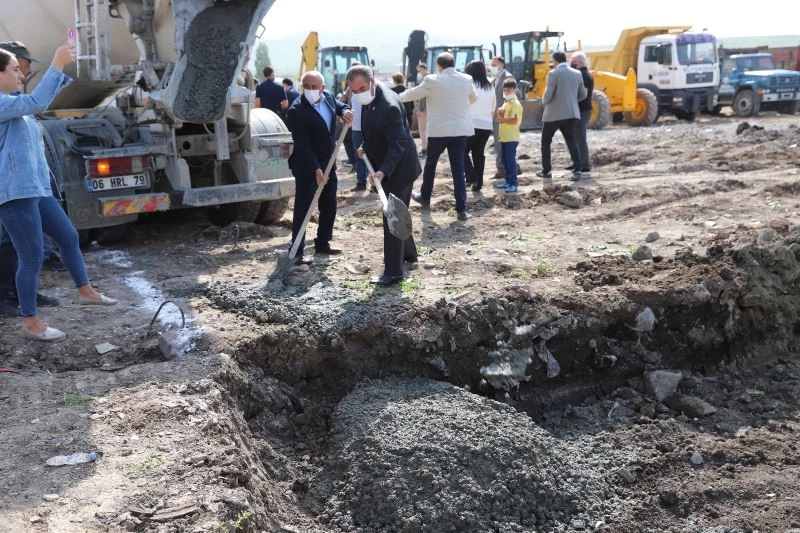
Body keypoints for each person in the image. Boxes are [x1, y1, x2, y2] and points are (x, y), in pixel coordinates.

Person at [0, 44, 118, 342]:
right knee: (31, 256)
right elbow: (39, 102)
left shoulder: (14, 102)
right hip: (15, 192)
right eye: (15, 69)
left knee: (68, 236)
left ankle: (86, 291)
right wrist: (57, 64)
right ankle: (30, 322)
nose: (21, 73)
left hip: (36, 188)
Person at [346, 65, 421, 287]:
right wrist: (364, 146)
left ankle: (393, 271)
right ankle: (409, 255)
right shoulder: (370, 100)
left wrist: (383, 171)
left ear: (372, 80)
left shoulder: (388, 105)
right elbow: (374, 131)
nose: (359, 93)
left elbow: (398, 144)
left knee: (392, 215)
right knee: (399, 210)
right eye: (354, 90)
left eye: (362, 88)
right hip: (391, 167)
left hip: (400, 169)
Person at [284, 70, 353, 263]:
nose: (311, 90)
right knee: (304, 208)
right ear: (302, 87)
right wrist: (316, 169)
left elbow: (338, 105)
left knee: (329, 205)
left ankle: (322, 243)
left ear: (322, 88)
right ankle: (296, 250)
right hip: (307, 165)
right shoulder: (297, 111)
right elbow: (302, 145)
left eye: (315, 87)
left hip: (328, 162)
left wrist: (344, 111)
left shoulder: (329, 97)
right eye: (307, 87)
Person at [399, 52, 477, 221]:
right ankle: (461, 209)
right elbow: (473, 98)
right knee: (458, 169)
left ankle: (425, 196)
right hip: (459, 130)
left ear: (439, 66)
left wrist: (395, 97)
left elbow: (411, 94)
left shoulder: (432, 80)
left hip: (439, 130)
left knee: (431, 164)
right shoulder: (466, 79)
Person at [537, 51, 586, 181]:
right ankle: (577, 169)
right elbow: (583, 94)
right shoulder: (577, 73)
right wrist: (571, 102)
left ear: (555, 61)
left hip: (554, 114)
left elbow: (548, 95)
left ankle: (546, 170)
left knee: (546, 141)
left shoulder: (553, 74)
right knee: (571, 141)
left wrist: (543, 103)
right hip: (572, 114)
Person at [463, 60, 495, 192]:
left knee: (462, 152)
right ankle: (478, 183)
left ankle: (471, 176)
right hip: (486, 125)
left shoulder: (470, 85)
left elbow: (464, 104)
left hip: (471, 124)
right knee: (478, 154)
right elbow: (493, 107)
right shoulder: (490, 87)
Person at [495, 79, 523, 194]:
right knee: (505, 160)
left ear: (514, 90)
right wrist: (500, 114)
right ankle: (508, 181)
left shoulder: (515, 104)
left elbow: (514, 120)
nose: (506, 92)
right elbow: (500, 119)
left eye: (509, 90)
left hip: (511, 137)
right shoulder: (506, 102)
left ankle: (513, 183)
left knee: (510, 161)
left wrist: (501, 118)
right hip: (505, 137)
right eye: (505, 90)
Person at [490, 56, 516, 180]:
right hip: (497, 115)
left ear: (501, 64)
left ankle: (506, 169)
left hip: (504, 115)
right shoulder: (495, 78)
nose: (492, 67)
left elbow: (510, 97)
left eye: (494, 64)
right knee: (498, 143)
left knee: (503, 143)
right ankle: (503, 168)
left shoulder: (507, 77)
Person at [570, 52, 593, 177]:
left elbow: (581, 94)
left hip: (582, 110)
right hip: (583, 109)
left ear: (578, 62)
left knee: (580, 138)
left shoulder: (583, 75)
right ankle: (577, 162)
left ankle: (584, 165)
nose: (572, 64)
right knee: (576, 138)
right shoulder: (585, 74)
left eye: (573, 62)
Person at [414, 63, 429, 157]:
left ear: (423, 69)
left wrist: (420, 109)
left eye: (420, 70)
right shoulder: (431, 78)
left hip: (424, 108)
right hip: (431, 108)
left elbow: (423, 97)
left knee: (422, 129)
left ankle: (424, 149)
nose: (419, 72)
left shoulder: (426, 79)